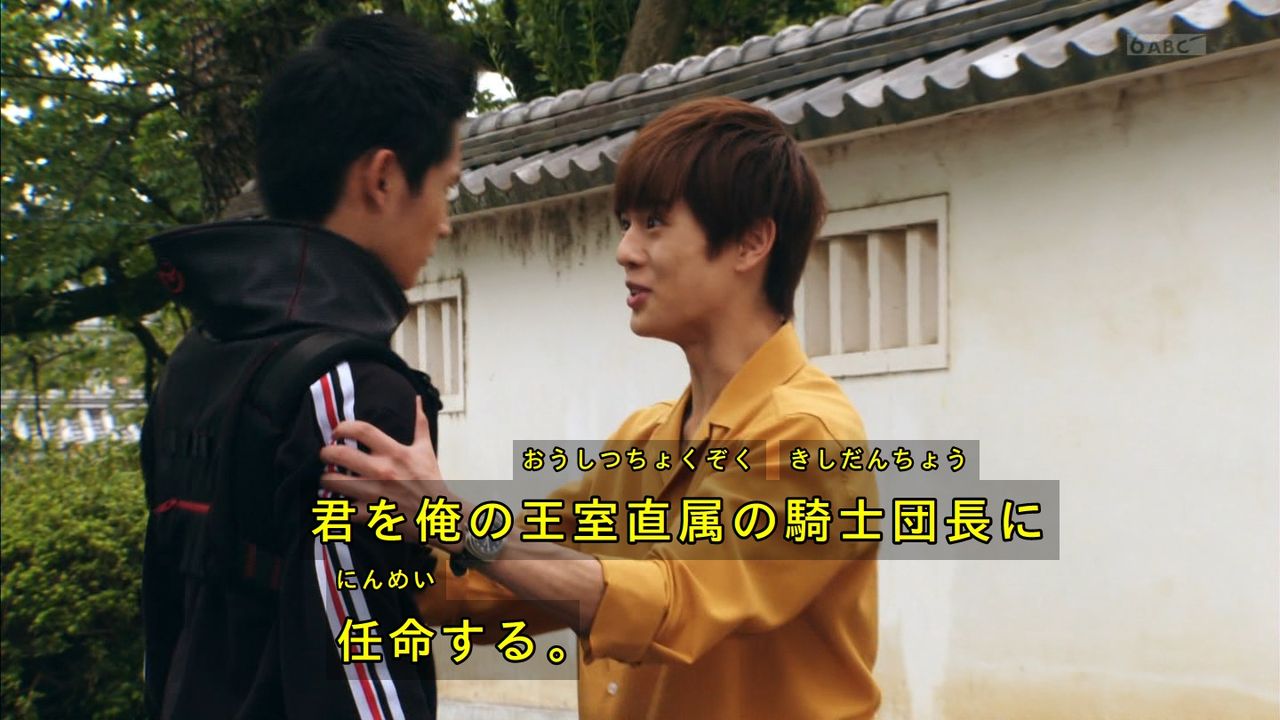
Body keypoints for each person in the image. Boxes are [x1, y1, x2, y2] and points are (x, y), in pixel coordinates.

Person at [319, 97, 881, 719]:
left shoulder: (807, 435)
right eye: (626, 223)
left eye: (655, 222)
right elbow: (502, 582)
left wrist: (446, 517)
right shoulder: (644, 440)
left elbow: (673, 603)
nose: (625, 250)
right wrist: (355, 554)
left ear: (751, 242)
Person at [139, 14, 475, 719]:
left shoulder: (197, 360)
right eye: (447, 186)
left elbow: (169, 622)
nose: (445, 221)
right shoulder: (346, 391)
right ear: (383, 177)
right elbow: (362, 663)